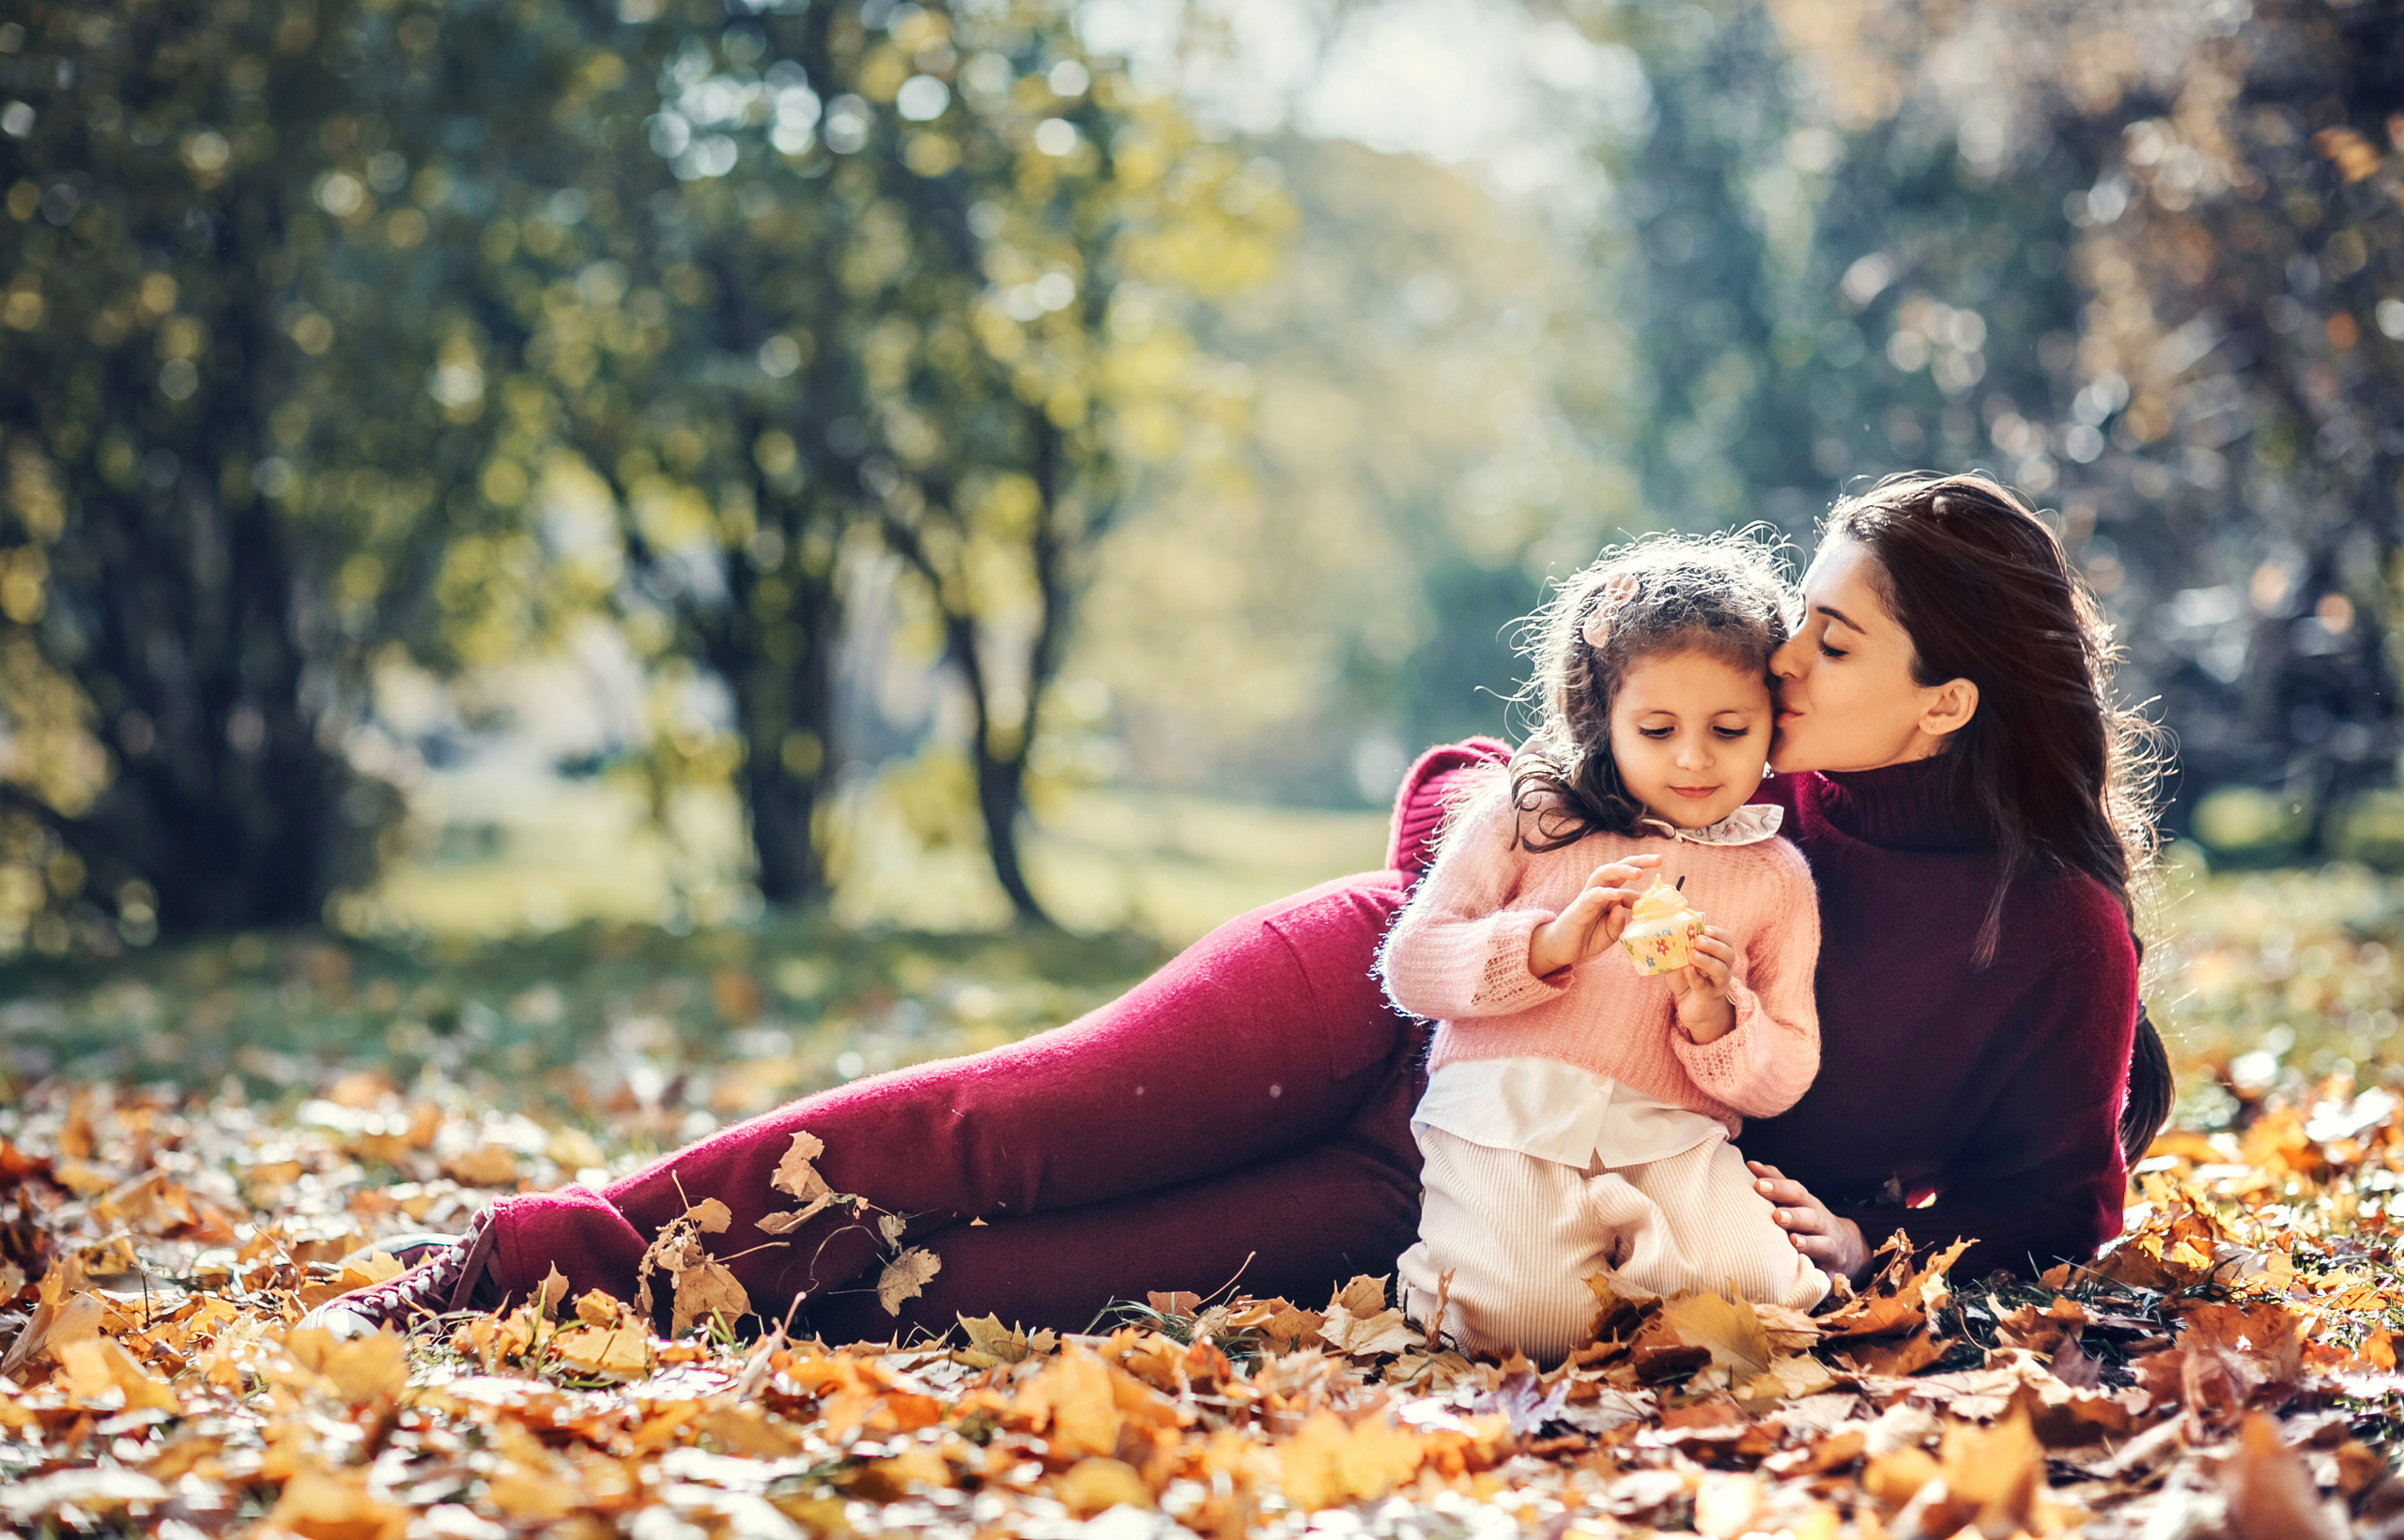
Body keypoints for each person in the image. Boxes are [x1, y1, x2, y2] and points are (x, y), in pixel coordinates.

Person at [312, 473, 2165, 1341]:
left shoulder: (2045, 940)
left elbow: (2049, 1210)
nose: (1779, 654)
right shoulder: (1748, 767)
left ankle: (683, 1294)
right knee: (999, 1135)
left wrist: (1860, 1236)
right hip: (1361, 1005)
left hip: (1438, 1187)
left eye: (1829, 636)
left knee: (992, 1288)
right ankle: (525, 1257)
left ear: (1945, 703)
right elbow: (1467, 776)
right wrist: (1528, 922)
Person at [1382, 535, 1826, 1364]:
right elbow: (1411, 965)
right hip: (1508, 1117)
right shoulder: (1529, 817)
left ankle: (1634, 1287)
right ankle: (1482, 1279)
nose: (1693, 757)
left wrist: (1716, 1017)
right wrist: (1547, 946)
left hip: (1672, 1135)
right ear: (1604, 719)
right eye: (1656, 729)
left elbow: (1790, 1068)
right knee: (1526, 1324)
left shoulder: (1776, 877)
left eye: (1730, 729)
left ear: (1773, 722)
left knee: (1760, 1300)